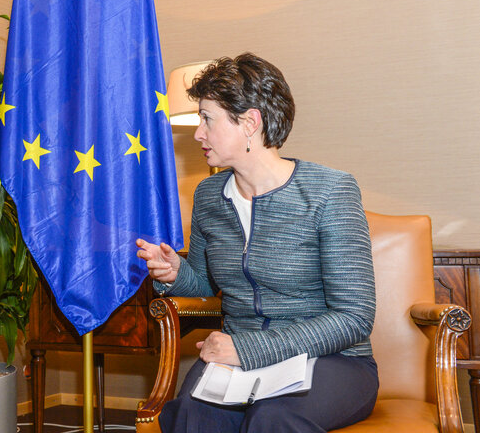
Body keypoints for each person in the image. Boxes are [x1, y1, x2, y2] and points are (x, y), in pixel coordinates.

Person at [136, 53, 378, 433]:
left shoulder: (330, 191)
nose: (198, 133)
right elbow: (204, 283)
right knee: (192, 415)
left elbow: (354, 318)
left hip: (334, 360)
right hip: (235, 362)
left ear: (250, 122)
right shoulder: (209, 195)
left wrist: (247, 350)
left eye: (207, 119)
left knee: (274, 418)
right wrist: (175, 273)